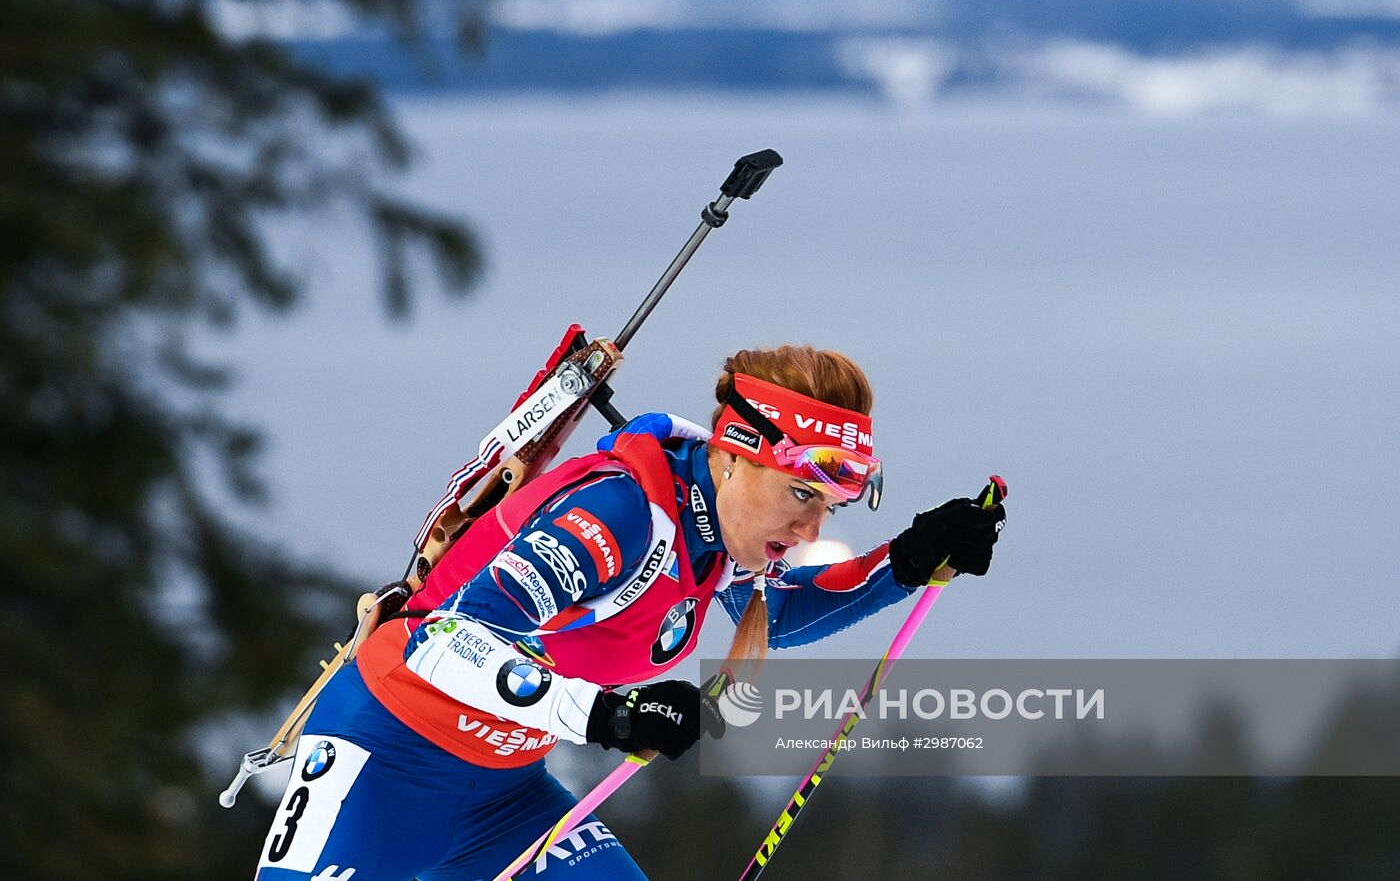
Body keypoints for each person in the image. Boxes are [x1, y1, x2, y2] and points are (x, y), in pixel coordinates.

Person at [254, 345, 1006, 880]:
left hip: (502, 797)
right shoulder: (620, 513)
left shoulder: (719, 536)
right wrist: (608, 715)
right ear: (737, 454)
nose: (810, 531)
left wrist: (905, 562)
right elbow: (444, 642)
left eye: (832, 506)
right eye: (802, 493)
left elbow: (779, 616)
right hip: (383, 766)